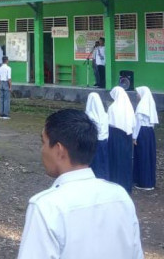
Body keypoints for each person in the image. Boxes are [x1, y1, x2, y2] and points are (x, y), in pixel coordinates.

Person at [18, 109, 143, 259]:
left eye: (43, 142)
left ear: (59, 150)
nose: (42, 150)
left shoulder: (46, 206)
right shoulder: (120, 196)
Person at [107, 86, 136, 194]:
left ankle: (116, 184)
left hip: (115, 135)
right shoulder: (129, 107)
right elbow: (133, 123)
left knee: (115, 159)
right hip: (127, 136)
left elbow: (109, 122)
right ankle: (126, 184)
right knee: (126, 159)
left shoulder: (112, 107)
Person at [133, 86, 159, 190]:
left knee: (142, 156)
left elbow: (138, 123)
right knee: (149, 155)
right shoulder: (150, 104)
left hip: (142, 132)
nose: (137, 95)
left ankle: (143, 182)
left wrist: (134, 137)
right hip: (150, 132)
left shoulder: (142, 105)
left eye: (138, 93)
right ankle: (150, 181)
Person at [85, 92, 109, 180]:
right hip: (104, 141)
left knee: (95, 162)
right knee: (103, 161)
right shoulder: (105, 115)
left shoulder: (90, 116)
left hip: (94, 141)